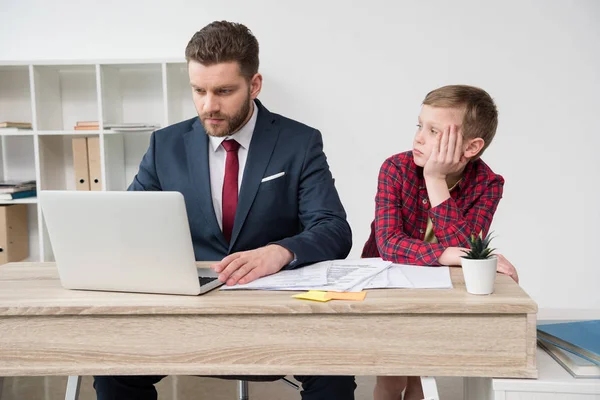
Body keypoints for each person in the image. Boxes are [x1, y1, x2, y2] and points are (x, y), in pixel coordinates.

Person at [93, 20, 355, 400]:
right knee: (114, 371)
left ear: (255, 84)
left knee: (333, 371)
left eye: (224, 91)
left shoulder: (299, 142)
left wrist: (279, 252)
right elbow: (132, 223)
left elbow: (333, 228)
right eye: (198, 90)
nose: (208, 105)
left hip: (277, 310)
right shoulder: (165, 145)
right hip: (186, 308)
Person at [361, 85, 519, 400]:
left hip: (439, 290)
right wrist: (448, 254)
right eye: (420, 125)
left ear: (471, 147)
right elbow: (390, 245)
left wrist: (435, 180)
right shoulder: (395, 169)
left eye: (434, 131)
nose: (419, 137)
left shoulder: (488, 184)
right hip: (387, 284)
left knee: (422, 374)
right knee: (392, 378)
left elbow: (467, 250)